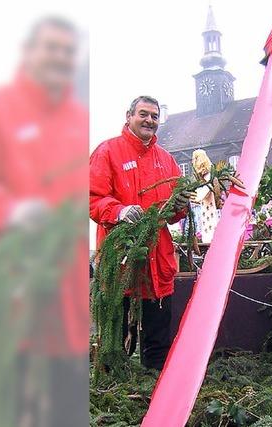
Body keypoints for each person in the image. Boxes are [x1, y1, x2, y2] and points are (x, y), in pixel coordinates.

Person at [0, 16, 89, 426]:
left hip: (66, 302)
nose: (60, 58)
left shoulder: (75, 119)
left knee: (65, 404)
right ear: (29, 52)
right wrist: (8, 211)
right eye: (51, 47)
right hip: (11, 292)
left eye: (67, 51)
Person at [90, 95, 192, 371]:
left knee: (158, 336)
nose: (149, 121)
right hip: (121, 260)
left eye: (154, 116)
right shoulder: (107, 152)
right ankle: (114, 384)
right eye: (143, 114)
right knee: (117, 334)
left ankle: (155, 387)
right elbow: (92, 198)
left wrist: (181, 207)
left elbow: (173, 211)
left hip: (157, 260)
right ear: (129, 116)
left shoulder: (166, 160)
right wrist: (118, 211)